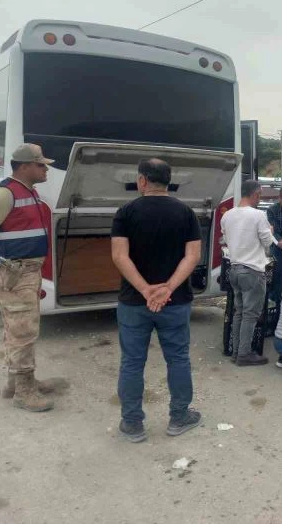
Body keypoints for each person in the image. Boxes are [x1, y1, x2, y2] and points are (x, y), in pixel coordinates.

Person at [111, 158, 203, 443]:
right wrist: (167, 289)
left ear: (142, 181)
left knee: (132, 362)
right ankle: (178, 417)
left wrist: (145, 290)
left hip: (133, 303)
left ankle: (132, 424)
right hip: (175, 302)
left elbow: (119, 256)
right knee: (177, 359)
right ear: (168, 181)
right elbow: (193, 256)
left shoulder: (125, 212)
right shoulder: (186, 213)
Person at [0, 144, 58, 412]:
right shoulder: (3, 194)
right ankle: (24, 392)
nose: (46, 169)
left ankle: (16, 383)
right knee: (23, 332)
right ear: (24, 166)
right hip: (12, 273)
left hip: (25, 271)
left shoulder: (29, 192)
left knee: (17, 329)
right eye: (41, 165)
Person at [221, 180, 276, 366]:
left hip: (234, 269)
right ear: (255, 194)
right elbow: (268, 243)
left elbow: (226, 240)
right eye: (259, 195)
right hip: (252, 271)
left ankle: (237, 352)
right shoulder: (258, 215)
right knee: (251, 315)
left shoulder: (227, 216)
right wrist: (270, 230)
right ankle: (244, 354)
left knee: (239, 312)